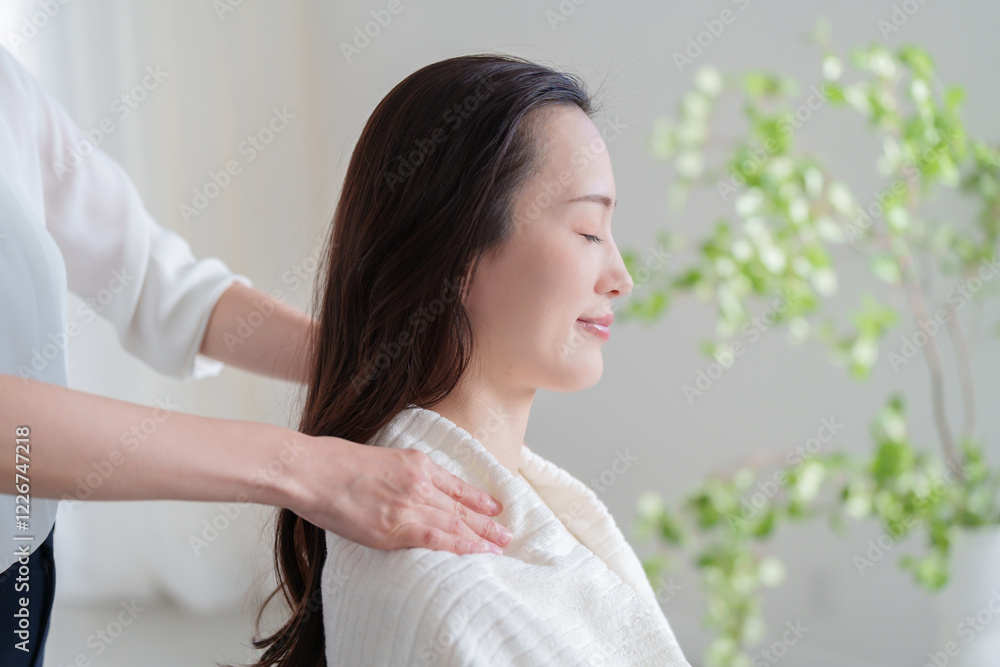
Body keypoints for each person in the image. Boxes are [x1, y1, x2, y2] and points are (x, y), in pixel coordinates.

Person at [0, 44, 512, 667]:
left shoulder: (8, 86)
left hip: (22, 545)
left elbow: (159, 284)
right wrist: (309, 470)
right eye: (588, 231)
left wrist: (362, 362)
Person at [244, 54, 692, 666]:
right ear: (455, 253)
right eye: (590, 230)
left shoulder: (533, 522)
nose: (622, 277)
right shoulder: (447, 599)